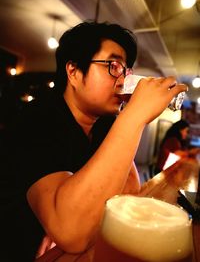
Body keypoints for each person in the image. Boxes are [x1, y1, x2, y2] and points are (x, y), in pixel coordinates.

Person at [0, 21, 187, 262]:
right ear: (74, 72)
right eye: (114, 66)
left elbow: (128, 194)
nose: (123, 81)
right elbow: (71, 232)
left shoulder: (106, 123)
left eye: (126, 70)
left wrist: (129, 119)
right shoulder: (38, 120)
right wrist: (134, 116)